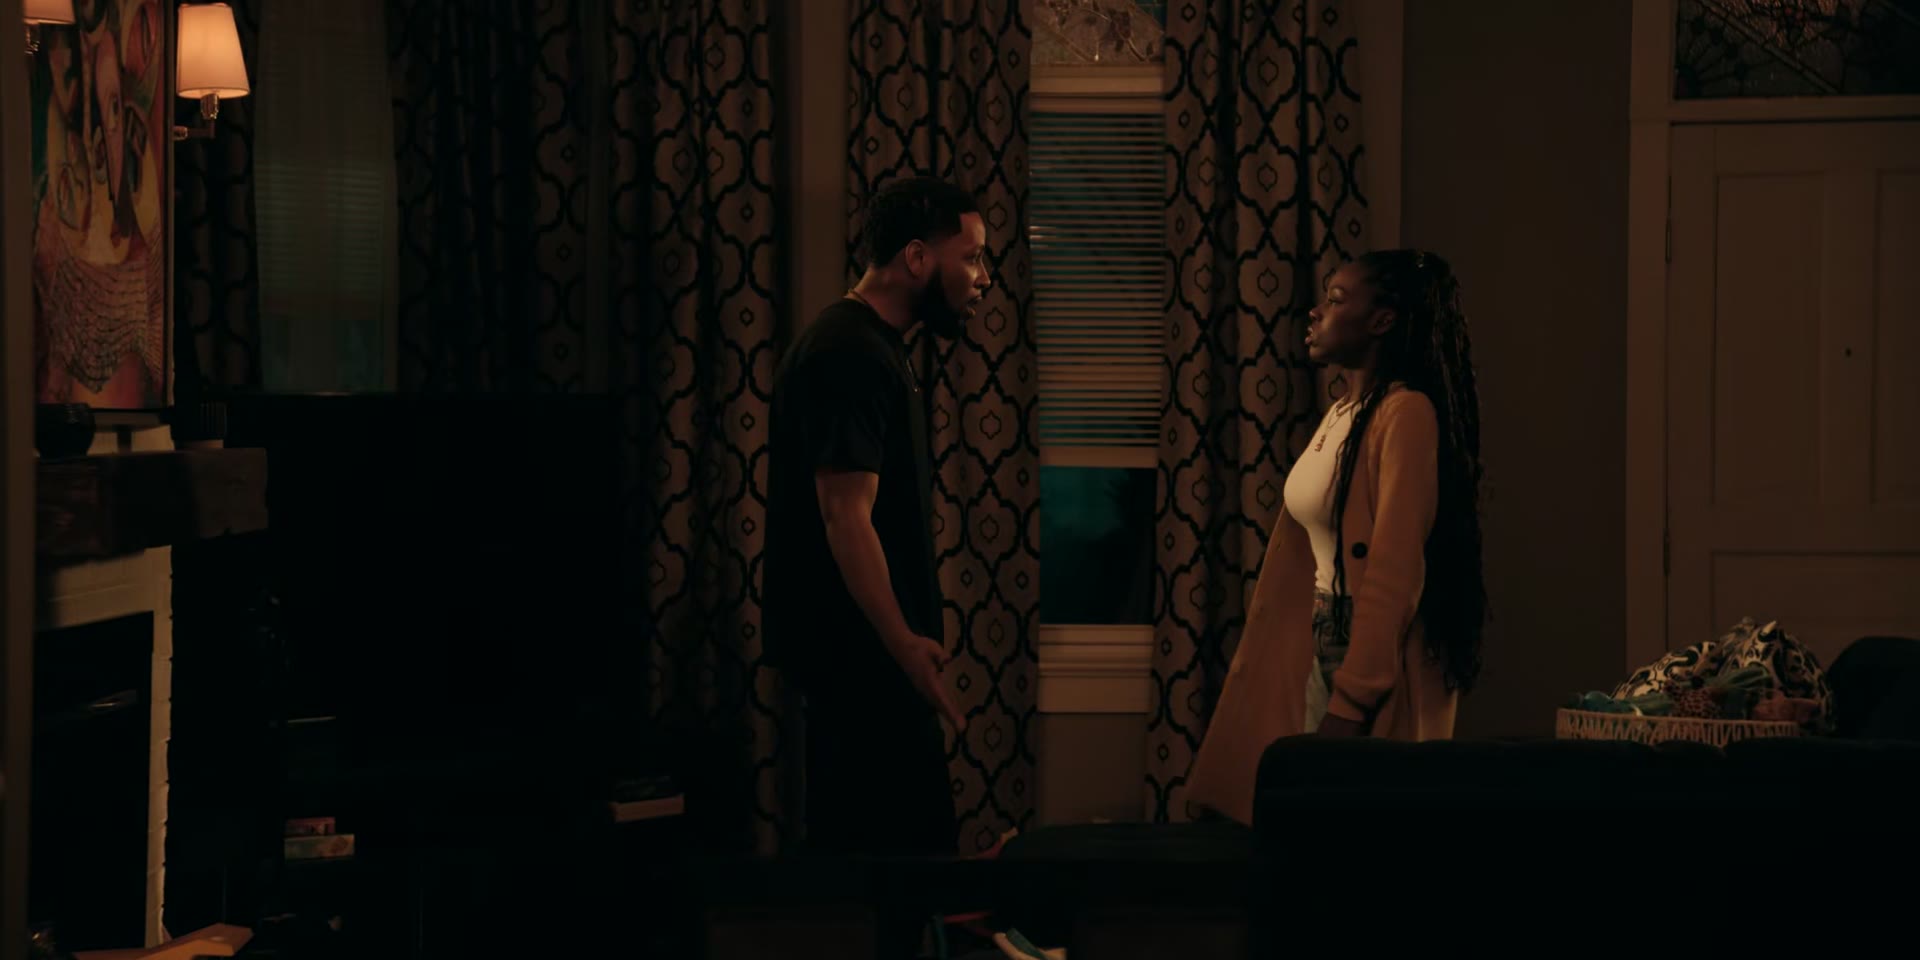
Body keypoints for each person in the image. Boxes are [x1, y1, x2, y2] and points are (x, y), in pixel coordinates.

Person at [1184, 249, 1489, 825]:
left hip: (1364, 647)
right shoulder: (1345, 411)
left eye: (1336, 299)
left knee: (1353, 831)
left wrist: (1354, 695)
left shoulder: (1405, 413)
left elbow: (1394, 570)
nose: (1315, 312)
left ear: (1382, 320)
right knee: (1314, 828)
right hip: (1321, 633)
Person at [764, 176, 991, 866]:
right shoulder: (849, 352)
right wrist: (904, 646)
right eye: (971, 257)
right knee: (895, 879)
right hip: (864, 673)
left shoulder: (875, 347)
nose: (982, 278)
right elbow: (845, 517)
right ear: (917, 258)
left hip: (875, 669)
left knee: (904, 879)